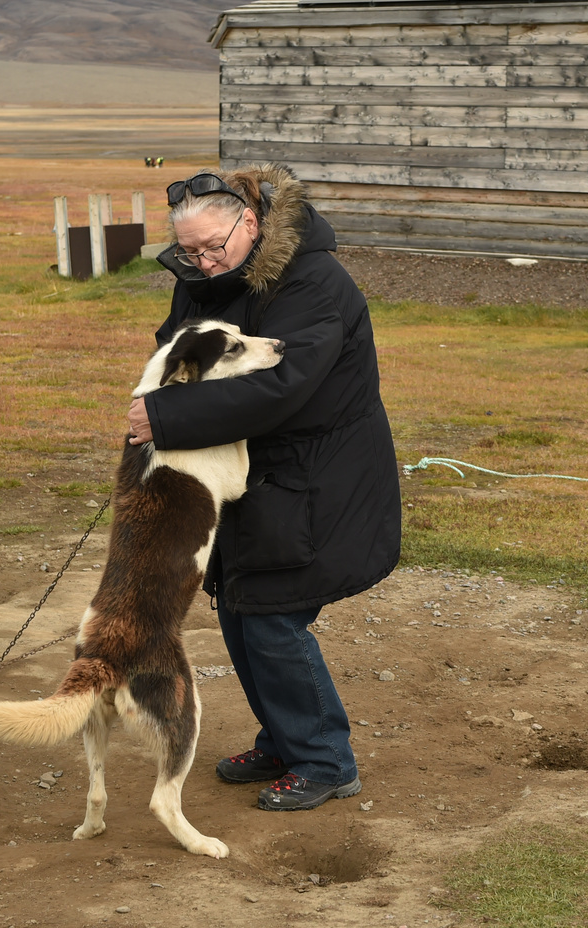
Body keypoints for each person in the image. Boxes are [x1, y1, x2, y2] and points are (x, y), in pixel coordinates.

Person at [124, 164, 401, 811]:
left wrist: (165, 417)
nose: (200, 262)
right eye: (187, 251)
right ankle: (282, 739)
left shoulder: (314, 284)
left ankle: (325, 760)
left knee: (274, 619)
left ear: (250, 223)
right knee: (242, 608)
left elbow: (281, 388)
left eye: (211, 248)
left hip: (317, 480)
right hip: (247, 475)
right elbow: (176, 349)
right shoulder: (203, 277)